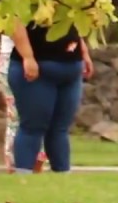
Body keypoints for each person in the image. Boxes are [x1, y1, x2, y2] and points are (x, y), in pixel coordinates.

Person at [6, 20, 94, 174]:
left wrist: (84, 52)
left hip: (71, 68)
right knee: (33, 127)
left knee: (60, 128)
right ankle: (23, 177)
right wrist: (27, 56)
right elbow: (14, 22)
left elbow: (73, 21)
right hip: (37, 68)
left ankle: (62, 176)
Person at [0, 33, 47, 173]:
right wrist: (27, 57)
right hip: (17, 59)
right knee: (20, 118)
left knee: (40, 114)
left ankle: (32, 167)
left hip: (37, 59)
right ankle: (20, 168)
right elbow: (16, 26)